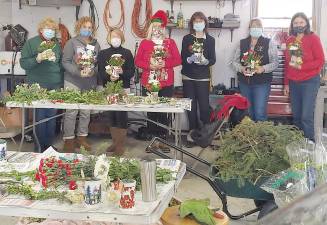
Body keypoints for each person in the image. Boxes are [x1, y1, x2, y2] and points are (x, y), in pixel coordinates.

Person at [135, 10, 181, 144]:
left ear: (163, 28)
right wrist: (150, 65)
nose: (157, 29)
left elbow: (178, 60)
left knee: (163, 110)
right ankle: (152, 138)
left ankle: (162, 139)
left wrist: (165, 63)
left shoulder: (170, 43)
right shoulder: (145, 43)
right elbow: (137, 62)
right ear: (151, 28)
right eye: (154, 26)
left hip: (166, 82)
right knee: (151, 111)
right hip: (149, 82)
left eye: (159, 26)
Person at [20, 17, 63, 152]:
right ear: (41, 29)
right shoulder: (31, 43)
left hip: (54, 85)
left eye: (53, 30)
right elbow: (24, 63)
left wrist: (60, 83)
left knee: (51, 117)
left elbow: (60, 66)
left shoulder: (56, 44)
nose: (50, 32)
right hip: (38, 85)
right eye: (48, 29)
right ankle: (39, 147)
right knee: (40, 117)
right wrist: (37, 58)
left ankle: (48, 146)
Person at [62, 16, 101, 152]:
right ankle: (68, 139)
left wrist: (93, 72)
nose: (87, 29)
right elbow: (65, 62)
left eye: (90, 27)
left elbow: (98, 64)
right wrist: (78, 73)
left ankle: (82, 138)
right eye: (85, 27)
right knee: (71, 111)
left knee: (86, 112)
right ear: (79, 28)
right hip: (73, 80)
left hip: (89, 81)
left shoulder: (96, 44)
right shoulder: (71, 43)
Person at [284, 12, 325, 141]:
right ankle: (298, 145)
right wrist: (286, 83)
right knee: (296, 117)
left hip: (309, 82)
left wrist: (302, 67)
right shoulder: (290, 40)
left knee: (306, 117)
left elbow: (320, 60)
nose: (298, 25)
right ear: (292, 25)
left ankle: (309, 146)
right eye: (295, 23)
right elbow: (288, 64)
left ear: (306, 23)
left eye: (301, 22)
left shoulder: (313, 38)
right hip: (294, 82)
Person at [232, 18, 279, 121]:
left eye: (258, 26)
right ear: (249, 29)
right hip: (245, 83)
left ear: (262, 29)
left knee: (259, 112)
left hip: (262, 83)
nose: (255, 29)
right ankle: (251, 136)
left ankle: (261, 136)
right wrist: (242, 68)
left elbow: (275, 63)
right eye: (253, 26)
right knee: (248, 113)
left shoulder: (268, 43)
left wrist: (263, 68)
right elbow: (234, 62)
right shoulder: (242, 43)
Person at [181, 11, 216, 147]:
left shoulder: (210, 40)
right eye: (195, 21)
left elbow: (213, 59)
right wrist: (189, 60)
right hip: (188, 77)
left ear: (205, 23)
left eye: (201, 21)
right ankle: (191, 135)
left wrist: (205, 61)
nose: (198, 23)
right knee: (190, 106)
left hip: (203, 78)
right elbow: (182, 57)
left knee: (204, 107)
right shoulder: (187, 38)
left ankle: (204, 135)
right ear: (192, 24)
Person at [98, 29, 135, 156]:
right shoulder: (103, 53)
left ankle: (120, 145)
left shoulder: (127, 53)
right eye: (113, 36)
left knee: (121, 115)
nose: (115, 39)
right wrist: (109, 76)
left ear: (122, 38)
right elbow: (101, 73)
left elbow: (131, 72)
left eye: (118, 36)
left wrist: (122, 73)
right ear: (108, 38)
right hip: (109, 88)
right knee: (112, 115)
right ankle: (115, 142)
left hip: (123, 88)